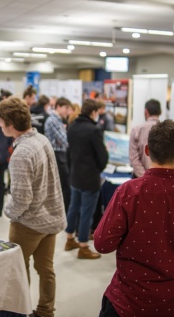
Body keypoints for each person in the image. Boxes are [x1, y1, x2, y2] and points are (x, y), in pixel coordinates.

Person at [94, 120, 174, 317]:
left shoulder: (128, 192)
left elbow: (102, 243)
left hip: (127, 301)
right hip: (173, 303)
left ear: (147, 150)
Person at [0, 97, 66, 317]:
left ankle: (21, 311)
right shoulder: (42, 140)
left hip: (29, 223)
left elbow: (21, 199)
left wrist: (8, 212)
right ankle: (46, 311)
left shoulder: (22, 153)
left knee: (17, 269)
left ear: (10, 123)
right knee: (46, 270)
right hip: (50, 219)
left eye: (0, 121)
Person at [65, 99, 108, 259]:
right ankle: (83, 246)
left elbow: (69, 152)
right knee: (86, 212)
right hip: (90, 178)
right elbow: (103, 156)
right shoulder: (94, 130)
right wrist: (98, 169)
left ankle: (69, 238)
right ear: (93, 112)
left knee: (73, 207)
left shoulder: (72, 127)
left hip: (75, 175)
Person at [44, 97, 72, 213]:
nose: (67, 111)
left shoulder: (58, 120)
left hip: (59, 154)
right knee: (64, 186)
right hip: (58, 155)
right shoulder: (53, 121)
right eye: (66, 108)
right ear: (58, 107)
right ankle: (63, 212)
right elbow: (64, 140)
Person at [129, 99, 161, 178]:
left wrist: (145, 177)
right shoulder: (168, 130)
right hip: (161, 179)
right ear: (160, 112)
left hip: (140, 180)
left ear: (145, 112)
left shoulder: (136, 130)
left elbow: (134, 158)